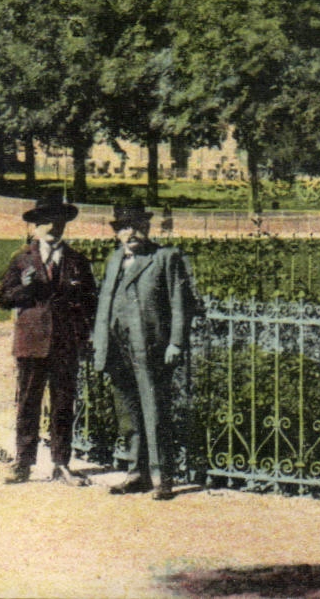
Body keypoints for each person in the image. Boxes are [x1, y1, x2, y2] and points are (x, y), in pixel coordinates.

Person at [91, 204, 196, 500]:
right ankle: (136, 473)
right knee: (128, 412)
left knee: (155, 411)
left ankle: (163, 476)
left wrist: (176, 342)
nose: (131, 233)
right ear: (116, 232)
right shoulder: (114, 260)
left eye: (136, 226)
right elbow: (105, 302)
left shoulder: (165, 258)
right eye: (124, 227)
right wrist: (99, 340)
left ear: (148, 228)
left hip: (150, 347)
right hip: (116, 348)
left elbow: (180, 304)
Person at [0, 196, 99, 486]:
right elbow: (3, 298)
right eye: (45, 222)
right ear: (36, 227)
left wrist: (86, 336)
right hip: (32, 343)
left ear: (65, 225)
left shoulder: (77, 261)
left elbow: (91, 302)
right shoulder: (22, 259)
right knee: (28, 403)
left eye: (58, 221)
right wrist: (25, 288)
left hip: (65, 343)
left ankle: (61, 463)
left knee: (63, 404)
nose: (52, 227)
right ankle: (24, 463)